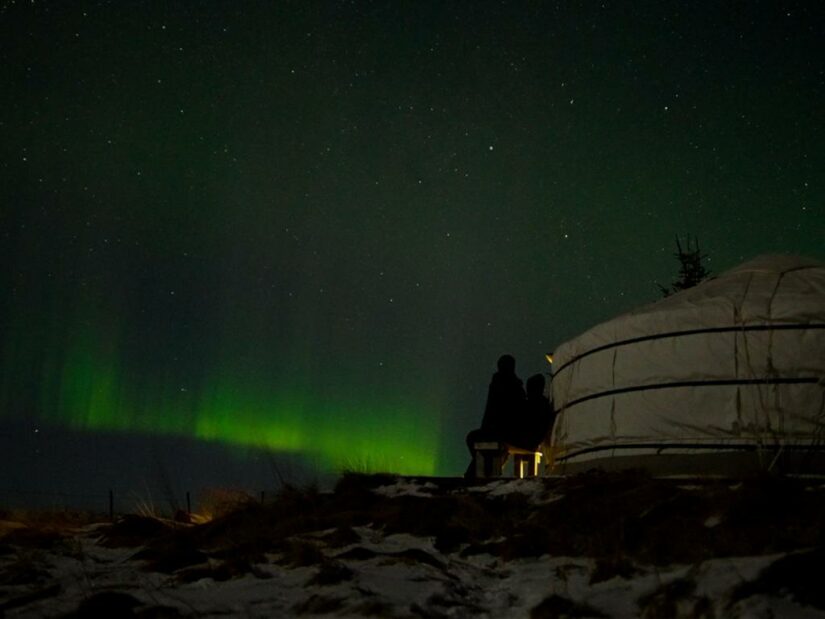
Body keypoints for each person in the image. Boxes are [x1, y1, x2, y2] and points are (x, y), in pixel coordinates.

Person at [464, 354, 526, 478]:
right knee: (480, 443)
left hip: (500, 431)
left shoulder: (499, 383)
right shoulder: (517, 386)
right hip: (508, 431)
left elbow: (491, 410)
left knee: (473, 439)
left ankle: (481, 471)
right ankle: (485, 470)